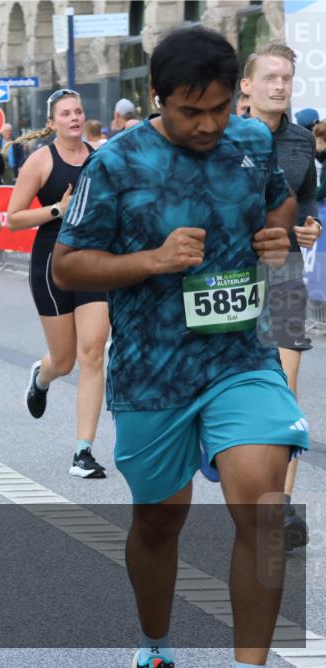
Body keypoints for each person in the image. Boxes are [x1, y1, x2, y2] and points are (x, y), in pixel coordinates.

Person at [52, 27, 304, 668]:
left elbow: (281, 204)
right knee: (160, 522)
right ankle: (155, 645)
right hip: (153, 371)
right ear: (157, 97)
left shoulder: (250, 139)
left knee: (265, 507)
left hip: (241, 358)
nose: (209, 124)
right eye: (192, 111)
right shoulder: (115, 162)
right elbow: (66, 266)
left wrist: (278, 237)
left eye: (220, 107)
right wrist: (152, 260)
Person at [240, 43, 321, 552]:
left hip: (285, 271)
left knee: (283, 389)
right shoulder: (221, 137)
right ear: (245, 85)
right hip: (228, 279)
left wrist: (308, 226)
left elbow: (308, 194)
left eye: (287, 78)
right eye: (270, 77)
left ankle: (281, 507)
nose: (280, 86)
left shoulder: (299, 140)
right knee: (240, 389)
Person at [6, 88, 110, 479]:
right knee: (64, 361)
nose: (74, 118)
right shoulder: (40, 160)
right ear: (52, 122)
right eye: (65, 113)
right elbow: (13, 218)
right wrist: (56, 210)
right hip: (51, 263)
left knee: (94, 351)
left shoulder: (101, 158)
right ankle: (42, 376)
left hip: (94, 260)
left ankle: (83, 451)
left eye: (79, 112)